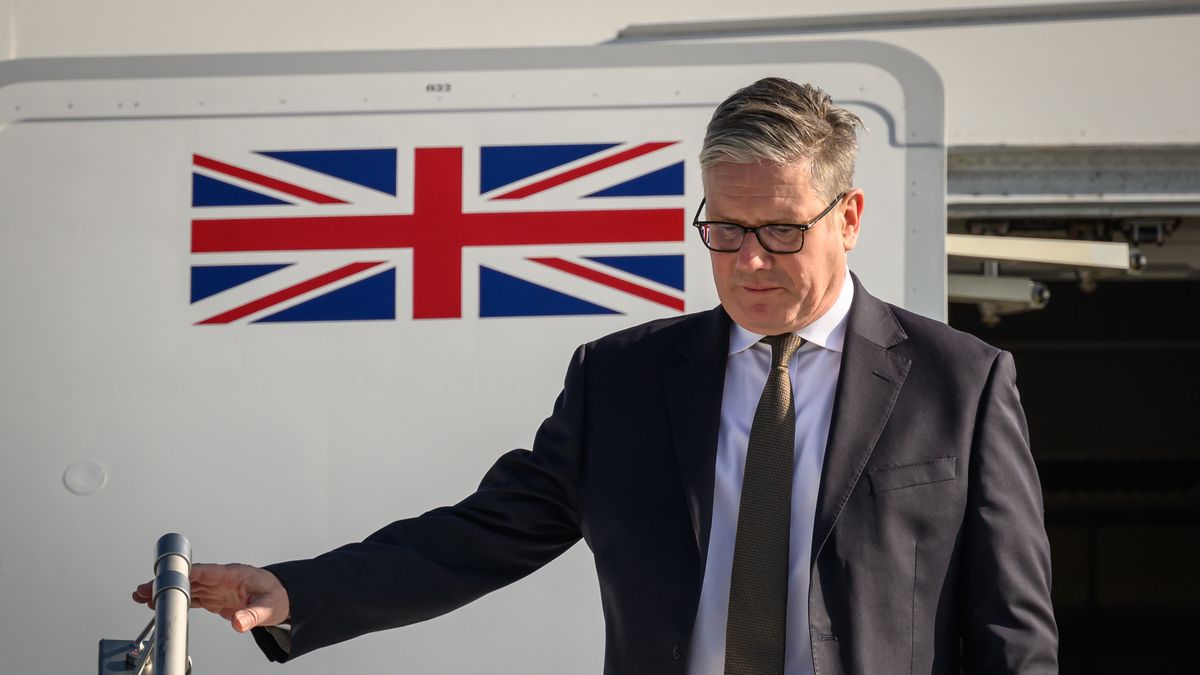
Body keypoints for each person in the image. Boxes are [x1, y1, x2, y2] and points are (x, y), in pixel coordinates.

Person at [134, 78, 1058, 674]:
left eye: (782, 229)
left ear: (848, 215)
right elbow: (479, 535)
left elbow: (1013, 631)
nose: (749, 261)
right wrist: (299, 591)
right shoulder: (624, 379)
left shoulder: (960, 384)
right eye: (724, 231)